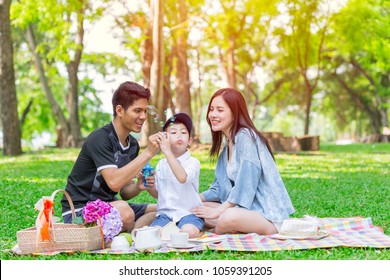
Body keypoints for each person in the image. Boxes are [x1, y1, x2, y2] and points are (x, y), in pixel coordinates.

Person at [61, 81, 162, 232]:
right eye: (137, 111)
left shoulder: (132, 145)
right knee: (125, 212)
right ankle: (135, 231)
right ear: (120, 110)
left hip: (110, 205)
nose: (143, 116)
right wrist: (148, 153)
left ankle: (132, 231)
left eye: (145, 111)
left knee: (162, 209)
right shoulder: (100, 138)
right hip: (79, 212)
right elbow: (114, 182)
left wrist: (137, 186)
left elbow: (125, 192)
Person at [192, 88, 294, 235]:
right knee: (196, 207)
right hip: (245, 210)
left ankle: (216, 231)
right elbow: (218, 189)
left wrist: (218, 211)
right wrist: (192, 198)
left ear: (235, 113)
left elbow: (247, 184)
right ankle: (226, 227)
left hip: (266, 215)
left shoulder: (245, 137)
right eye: (212, 109)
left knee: (227, 217)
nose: (213, 114)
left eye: (220, 110)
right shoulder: (228, 147)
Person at [149, 113, 204, 238]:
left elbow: (182, 178)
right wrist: (148, 184)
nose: (179, 135)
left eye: (183, 133)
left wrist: (167, 151)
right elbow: (158, 193)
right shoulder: (161, 164)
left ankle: (194, 230)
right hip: (165, 215)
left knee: (188, 232)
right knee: (154, 233)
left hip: (189, 214)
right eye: (173, 133)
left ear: (189, 140)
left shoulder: (193, 162)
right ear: (165, 139)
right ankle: (171, 233)